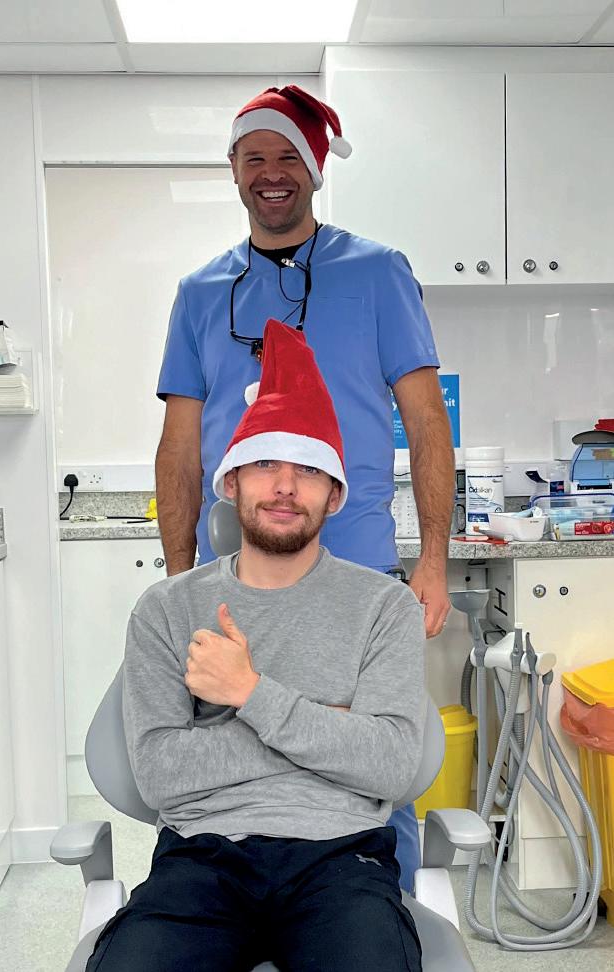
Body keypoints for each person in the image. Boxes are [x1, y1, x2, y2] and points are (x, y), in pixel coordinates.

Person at [155, 84, 454, 892]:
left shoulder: (378, 272)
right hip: (233, 577)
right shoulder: (199, 292)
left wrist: (432, 560)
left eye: (288, 155)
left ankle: (377, 911)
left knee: (370, 768)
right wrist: (178, 578)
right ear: (233, 170)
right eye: (254, 156)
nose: (271, 173)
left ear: (315, 170)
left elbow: (426, 422)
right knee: (230, 764)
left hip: (357, 570)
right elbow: (179, 447)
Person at [87, 320, 425, 972]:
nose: (285, 486)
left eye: (308, 470)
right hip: (201, 858)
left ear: (333, 494)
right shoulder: (166, 609)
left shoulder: (385, 607)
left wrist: (248, 694)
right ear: (232, 482)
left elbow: (389, 766)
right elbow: (160, 775)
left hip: (342, 858)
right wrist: (326, 730)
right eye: (266, 464)